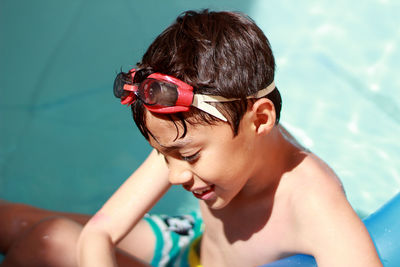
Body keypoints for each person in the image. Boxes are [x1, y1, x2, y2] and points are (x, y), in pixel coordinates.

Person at [0, 10, 382, 267]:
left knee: (44, 242)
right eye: (163, 155)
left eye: (189, 157)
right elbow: (100, 232)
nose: (174, 175)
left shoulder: (313, 204)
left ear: (260, 119)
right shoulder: (188, 139)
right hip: (189, 244)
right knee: (14, 223)